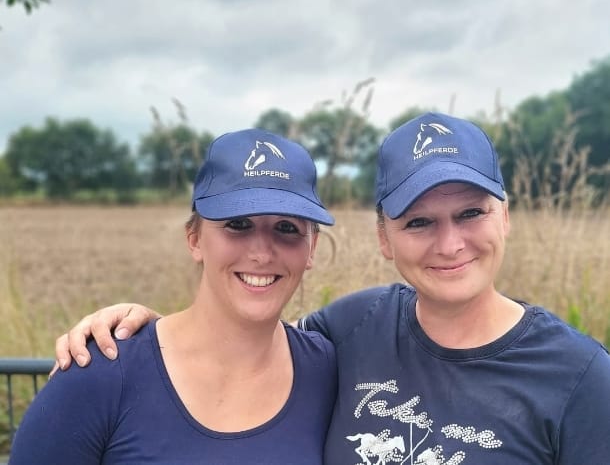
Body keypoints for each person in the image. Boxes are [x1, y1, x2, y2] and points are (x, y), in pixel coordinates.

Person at [53, 113, 610, 464]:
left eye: (471, 213)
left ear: (505, 217)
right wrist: (144, 332)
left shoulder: (580, 377)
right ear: (384, 238)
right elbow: (242, 337)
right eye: (419, 222)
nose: (450, 243)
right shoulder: (350, 330)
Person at [10, 129, 338, 464]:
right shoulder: (100, 374)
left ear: (311, 248)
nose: (262, 253)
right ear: (194, 239)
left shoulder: (330, 372)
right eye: (238, 224)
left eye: (287, 228)